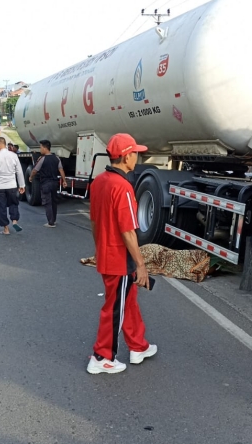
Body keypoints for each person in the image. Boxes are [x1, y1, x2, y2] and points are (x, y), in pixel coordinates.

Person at [87, 133, 156, 375]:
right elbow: (128, 230)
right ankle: (102, 356)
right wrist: (141, 264)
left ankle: (138, 346)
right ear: (127, 156)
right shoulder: (123, 187)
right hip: (120, 259)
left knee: (128, 301)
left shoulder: (98, 182)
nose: (138, 156)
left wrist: (99, 249)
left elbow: (94, 222)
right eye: (136, 153)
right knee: (115, 308)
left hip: (106, 255)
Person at [29, 140, 68, 227]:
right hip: (54, 183)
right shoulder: (56, 158)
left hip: (45, 183)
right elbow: (61, 170)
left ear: (44, 148)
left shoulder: (42, 159)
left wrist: (31, 177)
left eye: (40, 147)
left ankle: (50, 222)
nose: (40, 149)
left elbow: (35, 170)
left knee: (47, 202)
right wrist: (64, 181)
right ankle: (53, 219)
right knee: (54, 202)